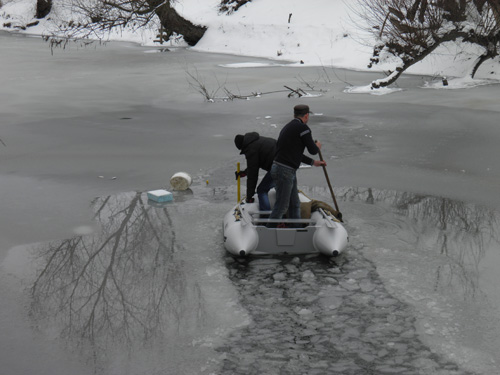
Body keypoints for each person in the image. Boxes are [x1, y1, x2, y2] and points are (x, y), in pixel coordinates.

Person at [268, 104, 326, 227]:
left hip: (281, 168)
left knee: (294, 204)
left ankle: (296, 230)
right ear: (306, 115)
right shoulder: (303, 128)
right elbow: (313, 150)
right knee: (282, 206)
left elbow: (294, 153)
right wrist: (318, 146)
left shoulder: (287, 127)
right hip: (285, 171)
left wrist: (313, 163)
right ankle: (266, 234)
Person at [234, 132, 276, 211]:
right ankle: (287, 216)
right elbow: (254, 166)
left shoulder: (250, 149)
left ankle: (266, 218)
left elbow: (253, 176)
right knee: (282, 189)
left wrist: (249, 196)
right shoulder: (257, 141)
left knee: (261, 190)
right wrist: (244, 173)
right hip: (288, 162)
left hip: (278, 166)